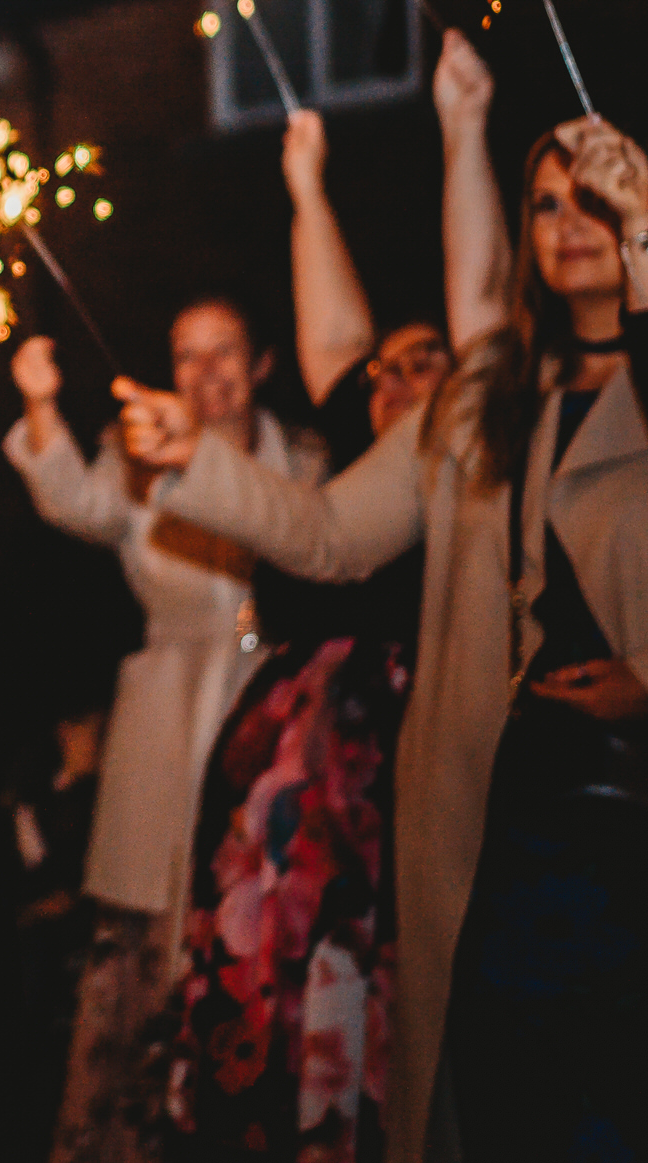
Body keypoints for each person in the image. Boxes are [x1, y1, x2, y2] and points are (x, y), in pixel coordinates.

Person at [118, 113, 648, 1162]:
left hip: (630, 808)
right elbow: (326, 535)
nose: (568, 220)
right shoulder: (476, 399)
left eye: (595, 194)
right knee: (506, 1099)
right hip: (502, 813)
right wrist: (197, 461)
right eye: (543, 201)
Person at [154, 87, 479, 1163]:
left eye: (420, 362)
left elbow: (388, 340)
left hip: (385, 756)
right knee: (262, 971)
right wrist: (304, 184)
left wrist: (462, 129)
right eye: (379, 368)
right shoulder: (351, 446)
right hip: (276, 771)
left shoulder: (462, 456)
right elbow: (337, 339)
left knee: (368, 971)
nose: (390, 377)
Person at [6, 297, 326, 1163]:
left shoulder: (305, 458)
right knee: (153, 936)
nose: (205, 372)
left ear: (260, 363)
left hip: (278, 712)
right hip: (164, 715)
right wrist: (40, 399)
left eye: (225, 352)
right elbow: (74, 500)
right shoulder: (138, 455)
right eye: (187, 355)